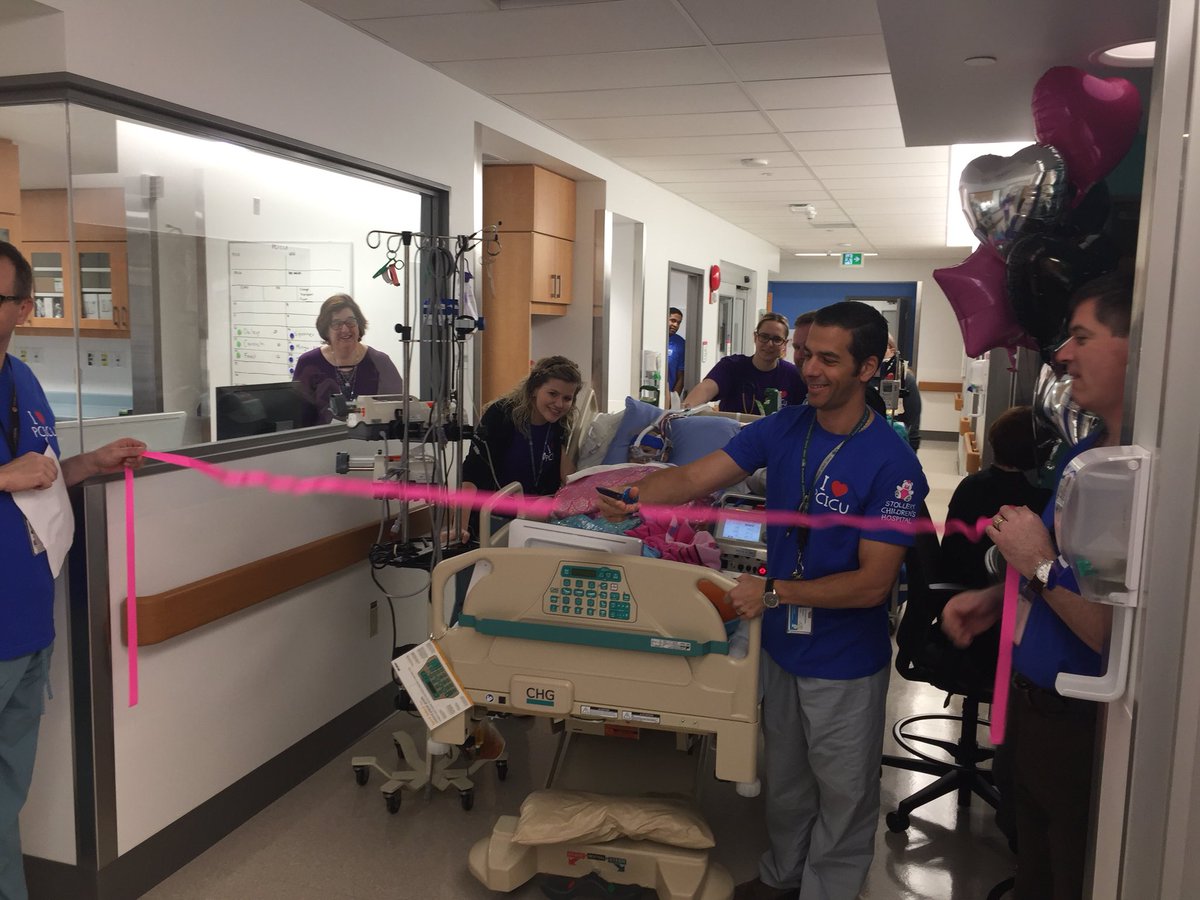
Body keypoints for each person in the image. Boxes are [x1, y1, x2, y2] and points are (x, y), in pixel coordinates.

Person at [601, 301, 928, 900]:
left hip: (843, 660)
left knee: (843, 791)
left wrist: (774, 591)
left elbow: (873, 584)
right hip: (781, 644)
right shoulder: (785, 427)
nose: (811, 369)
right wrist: (636, 494)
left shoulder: (893, 465)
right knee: (785, 781)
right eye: (807, 355)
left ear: (869, 368)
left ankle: (827, 891)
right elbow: (699, 476)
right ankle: (782, 878)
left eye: (829, 359)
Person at [941, 271, 1132, 900]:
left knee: (1067, 873)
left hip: (1078, 718)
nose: (1062, 354)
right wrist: (999, 597)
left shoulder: (1136, 475)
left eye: (1081, 337)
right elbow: (1072, 582)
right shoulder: (1092, 458)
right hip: (1029, 701)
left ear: (1137, 347)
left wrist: (1039, 563)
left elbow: (1108, 627)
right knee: (1032, 859)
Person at [0, 241, 146, 900]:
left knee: (8, 792)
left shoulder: (23, 381)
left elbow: (46, 476)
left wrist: (92, 463)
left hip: (30, 621)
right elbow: (16, 476)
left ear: (23, 308)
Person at [940, 405, 1053, 591]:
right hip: (996, 596)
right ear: (1038, 454)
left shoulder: (969, 485)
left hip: (959, 583)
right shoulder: (1036, 502)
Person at [461, 355, 583, 502]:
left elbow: (567, 476)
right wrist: (461, 524)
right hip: (495, 514)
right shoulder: (501, 415)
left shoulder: (560, 424)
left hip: (537, 514)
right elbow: (472, 473)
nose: (559, 404)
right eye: (552, 394)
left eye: (567, 398)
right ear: (534, 389)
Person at [292, 293, 403, 425]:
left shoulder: (380, 362)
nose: (345, 329)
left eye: (351, 322)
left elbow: (398, 412)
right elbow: (298, 418)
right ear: (326, 330)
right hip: (322, 443)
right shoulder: (309, 363)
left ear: (359, 325)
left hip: (372, 443)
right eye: (337, 324)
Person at [683, 311, 805, 414]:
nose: (769, 344)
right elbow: (706, 389)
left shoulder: (793, 375)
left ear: (785, 344)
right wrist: (683, 412)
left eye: (777, 339)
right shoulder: (731, 366)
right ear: (755, 337)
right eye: (764, 337)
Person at [881, 333, 922, 450]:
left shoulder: (905, 379)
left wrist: (912, 451)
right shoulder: (862, 378)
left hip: (896, 444)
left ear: (892, 350)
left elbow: (913, 422)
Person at [667, 306, 686, 397]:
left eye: (678, 323)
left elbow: (681, 376)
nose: (676, 325)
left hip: (669, 394)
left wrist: (673, 400)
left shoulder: (681, 344)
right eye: (673, 320)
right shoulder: (651, 337)